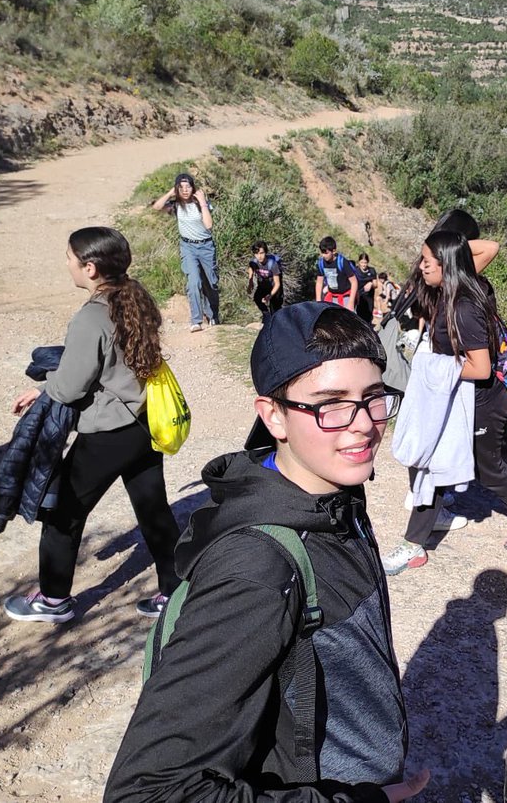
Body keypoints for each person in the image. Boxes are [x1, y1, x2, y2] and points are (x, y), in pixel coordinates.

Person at [104, 302, 430, 803]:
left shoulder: (337, 495)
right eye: (331, 403)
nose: (363, 424)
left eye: (373, 397)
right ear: (273, 415)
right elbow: (150, 793)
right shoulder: (257, 568)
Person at [4, 227, 180, 623]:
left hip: (108, 433)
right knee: (153, 511)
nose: (67, 264)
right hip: (143, 424)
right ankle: (176, 592)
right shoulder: (136, 299)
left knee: (62, 513)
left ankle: (52, 601)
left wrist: (44, 388)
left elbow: (69, 387)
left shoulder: (91, 317)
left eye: (70, 258)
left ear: (90, 267)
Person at [381, 230, 499, 575]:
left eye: (427, 261)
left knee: (431, 467)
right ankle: (437, 516)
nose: (420, 267)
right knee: (421, 459)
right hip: (438, 396)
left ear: (446, 265)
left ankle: (413, 546)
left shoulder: (463, 308)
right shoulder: (444, 292)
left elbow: (480, 366)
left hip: (452, 396)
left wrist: (433, 369)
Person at [151, 172, 220, 332]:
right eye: (181, 187)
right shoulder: (175, 205)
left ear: (193, 187)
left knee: (211, 283)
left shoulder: (200, 203)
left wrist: (203, 202)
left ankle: (213, 315)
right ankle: (196, 320)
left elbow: (209, 225)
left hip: (206, 247)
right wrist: (170, 193)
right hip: (188, 247)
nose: (185, 190)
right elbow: (156, 207)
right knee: (193, 282)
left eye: (188, 186)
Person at [315, 236, 358, 310]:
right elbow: (319, 282)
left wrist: (351, 302)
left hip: (346, 297)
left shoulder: (342, 262)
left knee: (348, 320)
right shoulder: (321, 263)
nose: (323, 255)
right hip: (331, 297)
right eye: (322, 252)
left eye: (326, 253)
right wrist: (318, 301)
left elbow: (354, 282)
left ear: (334, 251)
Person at [246, 240, 283, 323]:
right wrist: (250, 282)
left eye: (262, 253)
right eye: (256, 253)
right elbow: (251, 268)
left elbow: (277, 283)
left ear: (265, 252)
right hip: (263, 284)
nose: (259, 256)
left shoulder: (272, 264)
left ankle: (276, 323)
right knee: (257, 298)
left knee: (275, 307)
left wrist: (270, 295)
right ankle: (266, 315)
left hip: (274, 286)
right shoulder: (254, 262)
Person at [354, 252, 379, 324]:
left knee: (368, 316)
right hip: (359, 296)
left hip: (369, 297)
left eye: (365, 262)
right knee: (358, 315)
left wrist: (371, 284)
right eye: (362, 262)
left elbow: (376, 284)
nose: (364, 265)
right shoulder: (355, 270)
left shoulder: (372, 270)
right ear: (359, 262)